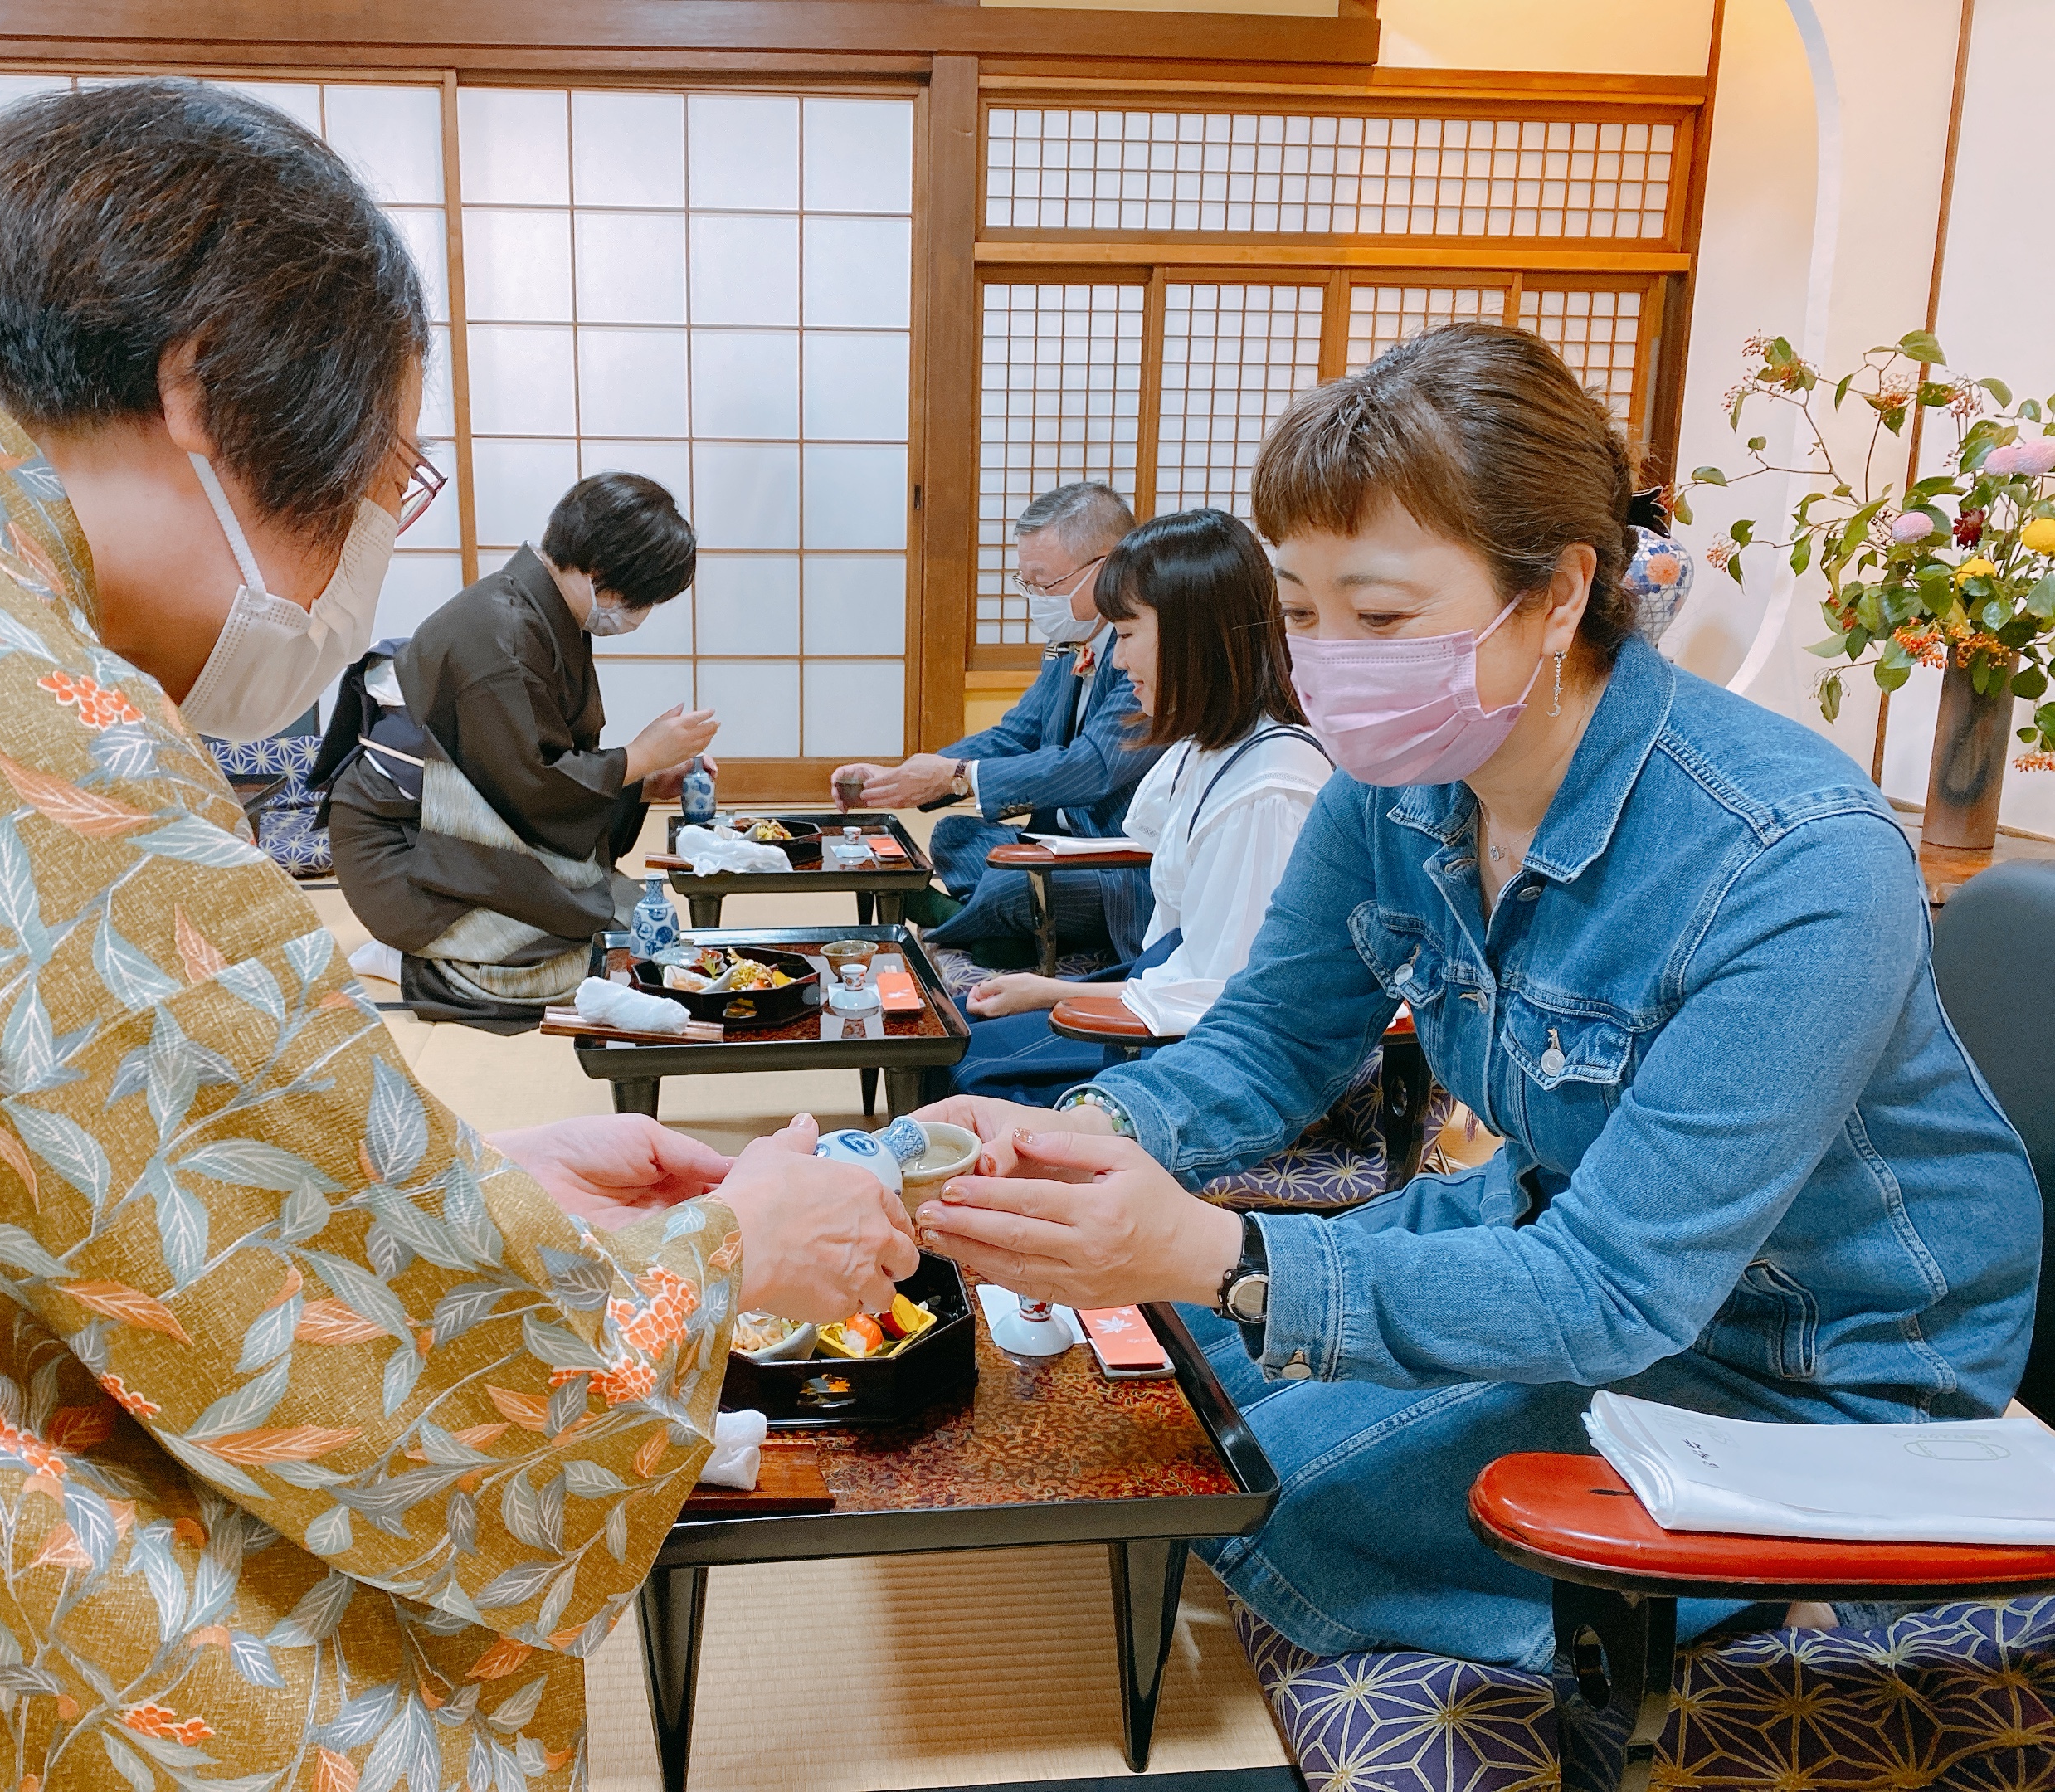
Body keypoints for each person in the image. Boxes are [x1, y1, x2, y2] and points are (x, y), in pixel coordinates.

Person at [0, 80, 913, 1789]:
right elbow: (412, 1384)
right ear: (201, 388)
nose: (373, 539)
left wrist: (459, 1188)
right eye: (387, 471)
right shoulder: (12, 726)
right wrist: (720, 1264)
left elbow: (6, 1142)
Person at [912, 322, 2040, 1673]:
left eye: (1381, 617)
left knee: (1266, 1488)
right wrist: (1087, 1134)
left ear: (1558, 592)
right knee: (1165, 1379)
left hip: (1803, 1347)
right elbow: (1269, 1042)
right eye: (1301, 612)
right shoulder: (1391, 790)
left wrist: (1221, 1252)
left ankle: (1775, 1602)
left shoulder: (1793, 858)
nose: (1329, 661)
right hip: (1555, 1223)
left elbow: (1620, 1290)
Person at [314, 472, 718, 1030]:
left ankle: (454, 948)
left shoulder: (540, 614)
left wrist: (644, 783)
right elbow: (529, 787)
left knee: (626, 933)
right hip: (405, 854)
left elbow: (526, 769)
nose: (639, 612)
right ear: (601, 572)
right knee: (569, 973)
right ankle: (412, 963)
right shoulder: (500, 633)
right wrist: (641, 756)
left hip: (461, 834)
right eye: (641, 597)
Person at [952, 508, 1328, 1103]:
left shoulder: (1268, 790)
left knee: (962, 1068)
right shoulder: (1207, 745)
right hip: (1159, 986)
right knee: (949, 1027)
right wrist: (1046, 991)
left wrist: (1056, 994)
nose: (1117, 660)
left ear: (1192, 636)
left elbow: (1227, 1001)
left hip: (1202, 1047)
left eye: (1127, 635)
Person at [831, 482, 1163, 968]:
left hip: (1113, 862)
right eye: (1026, 583)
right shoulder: (1069, 644)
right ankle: (1002, 931)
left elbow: (1092, 766)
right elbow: (1015, 735)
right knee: (954, 835)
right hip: (1051, 842)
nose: (1036, 598)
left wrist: (958, 777)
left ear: (1108, 565)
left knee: (1015, 883)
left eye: (1044, 582)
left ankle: (956, 922)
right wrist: (905, 776)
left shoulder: (1148, 653)